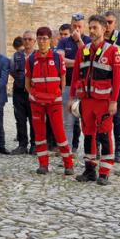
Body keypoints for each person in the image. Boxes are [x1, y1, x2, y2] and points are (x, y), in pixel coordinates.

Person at [70, 14, 120, 185]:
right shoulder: (83, 50)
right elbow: (76, 76)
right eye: (90, 28)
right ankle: (90, 169)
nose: (92, 31)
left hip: (104, 102)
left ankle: (105, 171)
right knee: (89, 135)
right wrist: (72, 98)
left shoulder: (113, 51)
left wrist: (114, 101)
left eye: (95, 28)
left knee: (105, 135)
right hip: (87, 101)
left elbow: (117, 79)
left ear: (104, 29)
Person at [26, 27, 74, 175]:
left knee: (60, 133)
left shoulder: (58, 58)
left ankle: (68, 164)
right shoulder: (31, 59)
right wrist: (33, 94)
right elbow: (27, 83)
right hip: (36, 103)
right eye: (39, 38)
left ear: (50, 40)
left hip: (54, 102)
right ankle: (43, 165)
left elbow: (63, 80)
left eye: (45, 38)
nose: (42, 41)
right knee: (39, 135)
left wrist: (57, 94)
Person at [58, 13, 90, 151]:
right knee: (68, 122)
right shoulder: (63, 42)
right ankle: (68, 152)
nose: (76, 29)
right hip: (68, 86)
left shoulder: (88, 40)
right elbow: (61, 61)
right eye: (74, 26)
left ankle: (90, 153)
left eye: (79, 26)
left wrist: (79, 42)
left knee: (87, 122)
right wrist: (79, 62)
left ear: (84, 27)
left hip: (85, 87)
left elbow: (88, 59)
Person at [103, 10, 120, 158]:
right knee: (102, 116)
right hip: (101, 84)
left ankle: (119, 149)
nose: (107, 25)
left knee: (118, 117)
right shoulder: (99, 38)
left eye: (110, 22)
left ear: (115, 23)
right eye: (104, 22)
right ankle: (103, 147)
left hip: (117, 83)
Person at [11, 31, 34, 154]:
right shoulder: (16, 56)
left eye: (30, 39)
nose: (27, 41)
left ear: (34, 41)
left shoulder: (37, 55)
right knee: (20, 119)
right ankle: (22, 145)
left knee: (34, 119)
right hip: (19, 92)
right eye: (25, 39)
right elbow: (12, 71)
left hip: (33, 93)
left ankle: (34, 145)